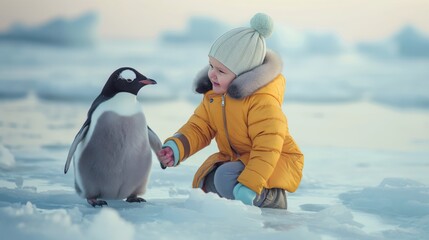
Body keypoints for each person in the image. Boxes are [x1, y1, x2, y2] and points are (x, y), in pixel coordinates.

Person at [157, 13, 304, 209]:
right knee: (206, 182)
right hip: (239, 160)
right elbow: (199, 127)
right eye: (211, 66)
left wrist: (250, 184)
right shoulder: (215, 98)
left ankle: (270, 198)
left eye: (221, 71)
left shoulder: (262, 102)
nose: (212, 74)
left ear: (242, 74)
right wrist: (176, 147)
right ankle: (236, 199)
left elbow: (268, 148)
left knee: (224, 177)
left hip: (274, 162)